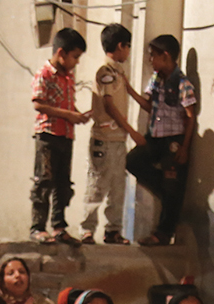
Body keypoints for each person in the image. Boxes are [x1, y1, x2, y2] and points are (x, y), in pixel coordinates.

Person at [126, 34, 196, 246]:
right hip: (155, 136)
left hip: (173, 140)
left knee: (173, 183)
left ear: (166, 56)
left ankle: (163, 233)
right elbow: (149, 105)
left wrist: (184, 147)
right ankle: (166, 189)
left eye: (153, 56)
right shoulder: (156, 79)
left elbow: (191, 117)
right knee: (133, 160)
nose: (150, 60)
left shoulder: (182, 83)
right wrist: (130, 92)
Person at [81, 24, 145, 245]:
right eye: (128, 47)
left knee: (118, 187)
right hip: (105, 140)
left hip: (118, 140)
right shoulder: (105, 71)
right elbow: (109, 105)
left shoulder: (118, 72)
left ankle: (113, 230)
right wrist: (132, 131)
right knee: (98, 184)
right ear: (120, 46)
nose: (128, 52)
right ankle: (87, 229)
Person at [30, 27, 91, 245]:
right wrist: (68, 115)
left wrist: (78, 116)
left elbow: (67, 105)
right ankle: (37, 227)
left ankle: (59, 226)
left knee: (63, 184)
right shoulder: (44, 74)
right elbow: (38, 103)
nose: (76, 62)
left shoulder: (69, 77)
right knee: (44, 182)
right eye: (75, 57)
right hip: (48, 135)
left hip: (66, 135)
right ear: (61, 53)